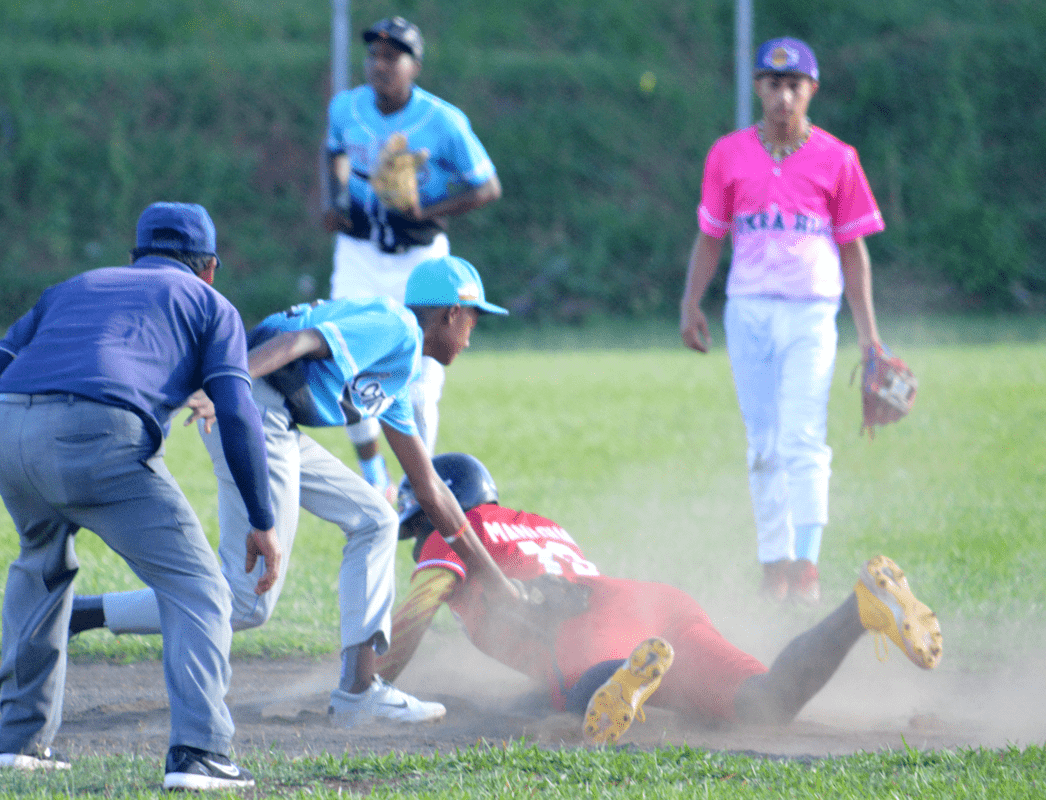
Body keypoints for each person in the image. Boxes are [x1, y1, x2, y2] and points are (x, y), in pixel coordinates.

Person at [70, 255, 523, 728]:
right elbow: (298, 340)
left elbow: (429, 490)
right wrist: (229, 385)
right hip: (253, 411)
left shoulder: (399, 365)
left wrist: (494, 580)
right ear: (452, 312)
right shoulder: (398, 329)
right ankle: (84, 614)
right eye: (474, 317)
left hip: (273, 420)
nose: (472, 334)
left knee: (376, 518)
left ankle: (358, 691)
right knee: (248, 602)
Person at [0, 203, 279, 791]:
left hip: (7, 433)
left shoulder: (71, 289)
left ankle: (19, 744)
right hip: (100, 435)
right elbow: (237, 410)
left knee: (41, 566)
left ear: (133, 256)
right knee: (198, 588)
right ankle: (200, 754)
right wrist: (261, 520)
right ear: (210, 267)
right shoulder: (210, 304)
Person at [377, 453, 944, 745]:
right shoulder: (540, 525)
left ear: (436, 509)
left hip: (587, 624)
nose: (415, 541)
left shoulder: (448, 530)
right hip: (650, 602)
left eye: (416, 526)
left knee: (577, 708)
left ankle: (627, 672)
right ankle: (860, 610)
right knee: (764, 704)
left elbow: (419, 606)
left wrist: (369, 684)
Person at [679, 37, 891, 604]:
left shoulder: (837, 157)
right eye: (773, 84)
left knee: (802, 438)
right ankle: (773, 563)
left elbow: (853, 251)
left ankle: (806, 566)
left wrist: (870, 337)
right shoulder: (727, 154)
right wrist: (690, 303)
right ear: (758, 87)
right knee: (762, 445)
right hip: (747, 311)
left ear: (811, 90)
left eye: (795, 84)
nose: (783, 94)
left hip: (811, 314)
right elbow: (710, 237)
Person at [321, 15, 502, 500]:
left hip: (420, 265)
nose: (380, 65)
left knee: (420, 385)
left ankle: (418, 488)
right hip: (359, 254)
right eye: (374, 55)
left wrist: (429, 211)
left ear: (414, 65)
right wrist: (336, 202)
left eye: (393, 56)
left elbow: (487, 186)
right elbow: (334, 152)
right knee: (346, 366)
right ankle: (374, 473)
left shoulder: (442, 121)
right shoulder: (347, 107)